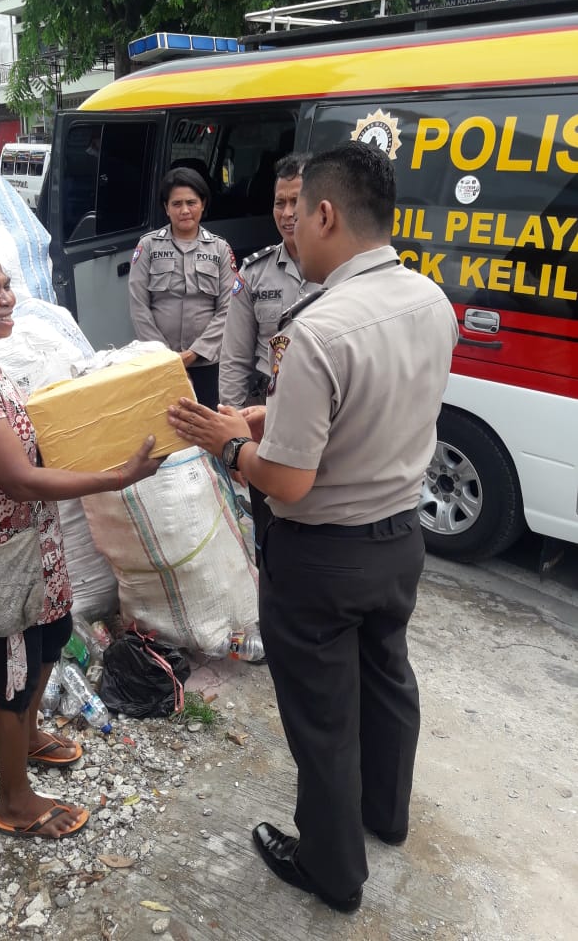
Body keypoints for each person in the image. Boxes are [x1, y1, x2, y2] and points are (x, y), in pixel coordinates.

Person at [168, 142, 458, 912]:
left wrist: (227, 442)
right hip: (399, 539)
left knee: (323, 717)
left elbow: (287, 477)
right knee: (388, 677)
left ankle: (333, 870)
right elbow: (378, 404)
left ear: (326, 213)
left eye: (302, 215)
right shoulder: (432, 301)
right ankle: (385, 816)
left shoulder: (319, 330)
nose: (291, 230)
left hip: (322, 556)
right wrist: (269, 412)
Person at [0, 217, 161, 840]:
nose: (7, 299)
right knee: (13, 679)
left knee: (48, 644)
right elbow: (20, 480)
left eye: (7, 285)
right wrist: (113, 477)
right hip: (4, 559)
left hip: (37, 549)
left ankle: (23, 740)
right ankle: (15, 801)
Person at [218, 152, 320, 557]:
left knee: (313, 509)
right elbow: (235, 357)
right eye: (281, 202)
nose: (288, 213)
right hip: (263, 408)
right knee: (267, 518)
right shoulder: (254, 273)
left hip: (318, 408)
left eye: (298, 201)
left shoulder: (340, 271)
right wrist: (229, 431)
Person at [129, 166, 236, 409]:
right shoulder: (148, 246)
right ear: (166, 208)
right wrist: (166, 358)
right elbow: (139, 307)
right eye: (176, 204)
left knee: (208, 427)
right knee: (165, 430)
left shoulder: (219, 249)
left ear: (203, 204)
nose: (185, 210)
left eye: (191, 202)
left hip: (207, 363)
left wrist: (193, 353)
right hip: (158, 362)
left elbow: (228, 309)